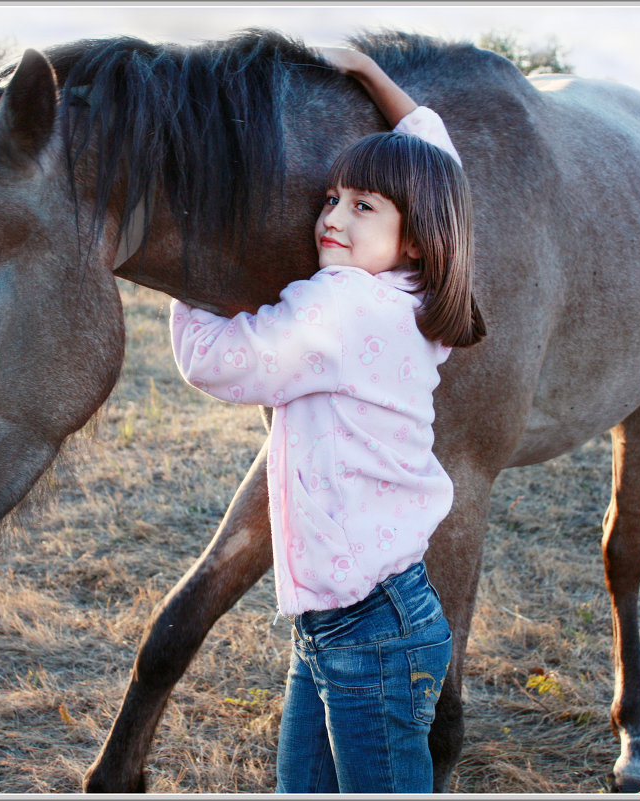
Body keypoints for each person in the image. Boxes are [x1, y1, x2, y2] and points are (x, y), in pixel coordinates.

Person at [169, 47, 485, 793]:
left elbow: (217, 359)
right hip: (366, 614)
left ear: (413, 235)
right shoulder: (419, 297)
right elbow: (439, 156)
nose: (331, 217)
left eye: (362, 206)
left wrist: (190, 278)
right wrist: (372, 76)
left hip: (365, 627)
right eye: (332, 198)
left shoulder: (341, 303)